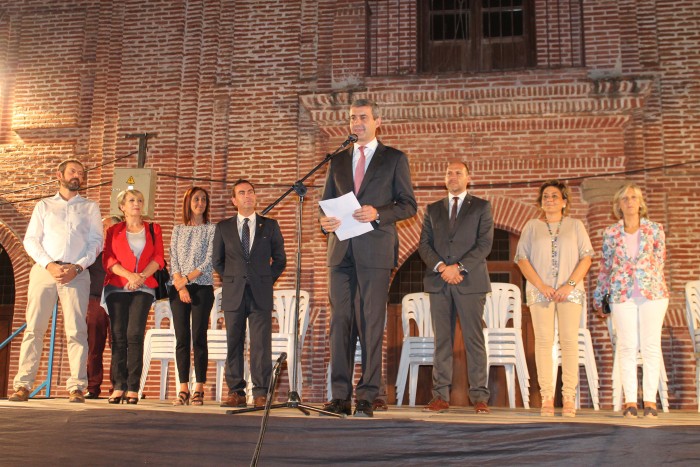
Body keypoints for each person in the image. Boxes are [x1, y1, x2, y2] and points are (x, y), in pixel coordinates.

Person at [320, 98, 417, 417]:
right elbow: (325, 205)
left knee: (371, 322)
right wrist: (325, 223)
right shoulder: (336, 161)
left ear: (378, 122)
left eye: (363, 117)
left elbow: (408, 205)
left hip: (375, 250)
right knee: (341, 322)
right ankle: (339, 395)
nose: (356, 123)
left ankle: (367, 394)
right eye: (351, 118)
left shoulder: (394, 159)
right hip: (341, 251)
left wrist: (379, 213)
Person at [9, 159, 103, 403]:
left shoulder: (91, 207)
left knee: (76, 330)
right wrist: (49, 264)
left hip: (77, 273)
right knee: (34, 328)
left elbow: (96, 243)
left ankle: (76, 387)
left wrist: (78, 266)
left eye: (81, 173)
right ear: (59, 175)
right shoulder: (44, 205)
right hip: (44, 270)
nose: (77, 176)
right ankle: (23, 385)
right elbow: (31, 240)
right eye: (73, 171)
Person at [418, 161, 494, 414]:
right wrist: (442, 268)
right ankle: (440, 396)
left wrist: (458, 268)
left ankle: (480, 397)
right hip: (439, 282)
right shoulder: (432, 209)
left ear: (468, 178)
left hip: (470, 282)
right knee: (442, 340)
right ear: (444, 178)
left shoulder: (482, 207)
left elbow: (484, 245)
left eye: (458, 173)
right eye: (448, 172)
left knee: (474, 339)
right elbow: (424, 246)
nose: (453, 176)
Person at [514, 180, 593, 417]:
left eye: (555, 196)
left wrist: (568, 285)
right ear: (540, 202)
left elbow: (586, 258)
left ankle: (569, 397)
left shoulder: (575, 225)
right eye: (546, 196)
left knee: (569, 342)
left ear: (564, 202)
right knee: (544, 342)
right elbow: (522, 259)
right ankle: (547, 396)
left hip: (570, 292)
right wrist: (542, 285)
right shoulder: (531, 226)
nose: (549, 200)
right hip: (541, 292)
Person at [593, 183, 669, 419]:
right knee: (626, 346)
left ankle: (649, 401)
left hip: (652, 294)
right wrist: (599, 295)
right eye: (625, 198)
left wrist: (645, 276)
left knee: (650, 346)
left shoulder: (655, 230)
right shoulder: (611, 233)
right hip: (621, 293)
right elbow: (605, 266)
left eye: (633, 197)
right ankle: (630, 402)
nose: (629, 201)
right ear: (618, 205)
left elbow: (660, 260)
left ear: (640, 203)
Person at [214, 180, 286, 409]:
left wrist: (265, 279)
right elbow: (218, 261)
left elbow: (280, 259)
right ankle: (236, 392)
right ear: (234, 200)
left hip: (260, 293)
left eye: (251, 192)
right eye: (242, 193)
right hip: (234, 292)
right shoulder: (223, 227)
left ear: (255, 198)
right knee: (233, 342)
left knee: (260, 345)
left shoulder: (270, 226)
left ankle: (261, 391)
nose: (247, 196)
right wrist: (234, 279)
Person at [102, 189, 165, 405]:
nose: (136, 203)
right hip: (117, 286)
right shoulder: (113, 230)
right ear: (122, 207)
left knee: (135, 334)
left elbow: (158, 257)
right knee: (118, 335)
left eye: (139, 200)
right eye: (131, 200)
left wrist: (140, 277)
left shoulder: (153, 228)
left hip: (144, 286)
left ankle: (133, 388)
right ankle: (118, 386)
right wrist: (129, 275)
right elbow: (108, 258)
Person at [168, 187, 216, 406]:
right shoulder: (178, 229)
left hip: (202, 287)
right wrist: (181, 286)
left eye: (204, 199)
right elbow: (174, 259)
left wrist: (186, 280)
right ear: (188, 202)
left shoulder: (211, 229)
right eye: (196, 199)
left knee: (198, 336)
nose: (200, 202)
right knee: (181, 339)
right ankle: (183, 387)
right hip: (179, 289)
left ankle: (199, 388)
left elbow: (209, 261)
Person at [85, 215, 123, 399]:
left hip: (117, 300)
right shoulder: (93, 248)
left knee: (118, 345)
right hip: (95, 299)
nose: (106, 230)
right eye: (104, 226)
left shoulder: (124, 250)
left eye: (111, 227)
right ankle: (92, 387)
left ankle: (117, 387)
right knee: (94, 345)